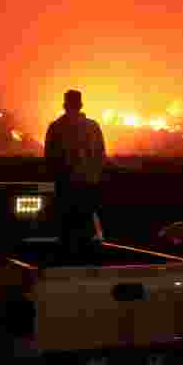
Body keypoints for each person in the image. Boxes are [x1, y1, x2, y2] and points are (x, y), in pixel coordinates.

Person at [45, 90, 107, 259]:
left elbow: (49, 159)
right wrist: (94, 177)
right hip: (87, 187)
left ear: (65, 105)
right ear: (80, 105)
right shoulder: (93, 127)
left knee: (66, 231)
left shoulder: (56, 127)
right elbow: (101, 157)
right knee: (87, 230)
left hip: (65, 188)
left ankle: (68, 260)